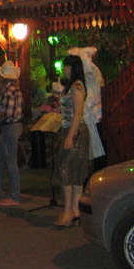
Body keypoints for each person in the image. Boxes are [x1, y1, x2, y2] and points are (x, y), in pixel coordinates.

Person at [52, 55, 90, 227]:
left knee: (66, 170)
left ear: (72, 68)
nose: (63, 70)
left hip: (75, 131)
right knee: (74, 171)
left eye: (65, 67)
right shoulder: (73, 86)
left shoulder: (76, 87)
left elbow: (78, 114)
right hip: (72, 130)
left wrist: (69, 136)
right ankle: (75, 209)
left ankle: (68, 210)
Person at [0, 61, 23, 206]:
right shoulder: (14, 91)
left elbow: (8, 113)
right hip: (11, 127)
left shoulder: (9, 92)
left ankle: (14, 196)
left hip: (10, 127)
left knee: (9, 161)